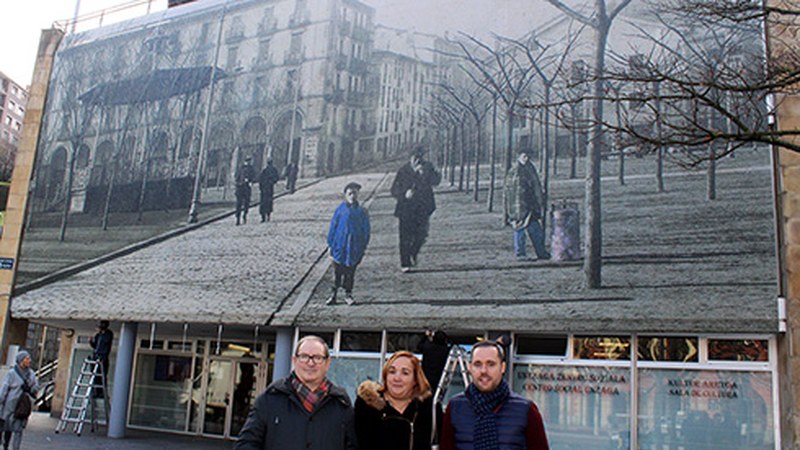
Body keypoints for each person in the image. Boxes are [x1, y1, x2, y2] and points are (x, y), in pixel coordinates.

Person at [236, 335, 357, 450]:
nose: (310, 363)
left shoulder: (341, 404)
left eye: (317, 358)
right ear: (295, 360)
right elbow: (246, 444)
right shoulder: (269, 399)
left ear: (327, 363)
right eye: (304, 356)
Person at [439, 340, 549, 450]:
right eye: (478, 364)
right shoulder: (455, 408)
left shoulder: (526, 410)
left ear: (502, 367)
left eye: (491, 364)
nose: (484, 371)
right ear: (470, 367)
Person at [354, 351, 433, 450]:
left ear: (415, 380)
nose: (397, 378)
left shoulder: (428, 410)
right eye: (392, 372)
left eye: (405, 373)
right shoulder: (367, 406)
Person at [390, 146, 441, 272]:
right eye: (415, 157)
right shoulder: (403, 171)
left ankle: (413, 252)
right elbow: (394, 190)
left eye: (420, 157)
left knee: (421, 235)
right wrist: (404, 194)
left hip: (423, 208)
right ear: (410, 158)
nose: (417, 160)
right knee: (405, 236)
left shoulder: (428, 167)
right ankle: (405, 263)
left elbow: (436, 181)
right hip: (406, 209)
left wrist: (426, 174)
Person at [326, 182, 370, 306]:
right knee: (337, 272)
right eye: (350, 193)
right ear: (345, 195)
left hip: (354, 247)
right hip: (339, 246)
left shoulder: (362, 212)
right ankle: (333, 295)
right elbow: (333, 227)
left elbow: (366, 230)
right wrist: (330, 244)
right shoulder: (340, 210)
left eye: (355, 193)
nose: (352, 196)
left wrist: (363, 246)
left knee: (350, 272)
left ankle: (348, 294)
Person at [504, 149, 550, 261]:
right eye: (524, 156)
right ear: (519, 157)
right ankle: (522, 253)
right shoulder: (515, 172)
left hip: (529, 206)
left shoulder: (530, 169)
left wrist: (539, 201)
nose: (527, 158)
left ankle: (540, 252)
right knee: (521, 230)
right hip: (520, 207)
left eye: (528, 156)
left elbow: (536, 187)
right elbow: (511, 192)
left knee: (534, 230)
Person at [0, 350, 39, 450]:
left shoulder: (31, 374)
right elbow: (5, 388)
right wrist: (1, 401)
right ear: (21, 360)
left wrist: (30, 388)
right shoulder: (12, 373)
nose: (29, 360)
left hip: (22, 406)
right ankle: (5, 446)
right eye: (27, 358)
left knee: (18, 430)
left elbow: (36, 387)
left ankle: (15, 448)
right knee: (7, 428)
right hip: (10, 405)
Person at [90, 320, 114, 396]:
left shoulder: (108, 334)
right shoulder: (98, 335)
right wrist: (91, 342)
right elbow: (95, 346)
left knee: (102, 375)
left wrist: (101, 332)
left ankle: (101, 392)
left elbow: (107, 341)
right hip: (96, 356)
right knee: (95, 375)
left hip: (103, 357)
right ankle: (95, 391)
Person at [235, 156, 256, 225]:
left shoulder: (251, 169)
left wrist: (250, 181)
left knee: (246, 203)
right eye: (247, 161)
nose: (248, 162)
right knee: (239, 204)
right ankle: (238, 218)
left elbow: (253, 177)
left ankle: (245, 214)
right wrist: (239, 182)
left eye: (249, 161)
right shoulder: (240, 168)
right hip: (240, 187)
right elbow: (236, 177)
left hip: (247, 187)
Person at [258, 158, 281, 222]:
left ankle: (264, 216)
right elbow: (276, 178)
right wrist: (273, 182)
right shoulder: (272, 170)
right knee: (268, 202)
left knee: (264, 202)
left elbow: (260, 179)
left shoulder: (265, 170)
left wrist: (261, 187)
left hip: (265, 189)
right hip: (268, 188)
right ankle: (267, 215)